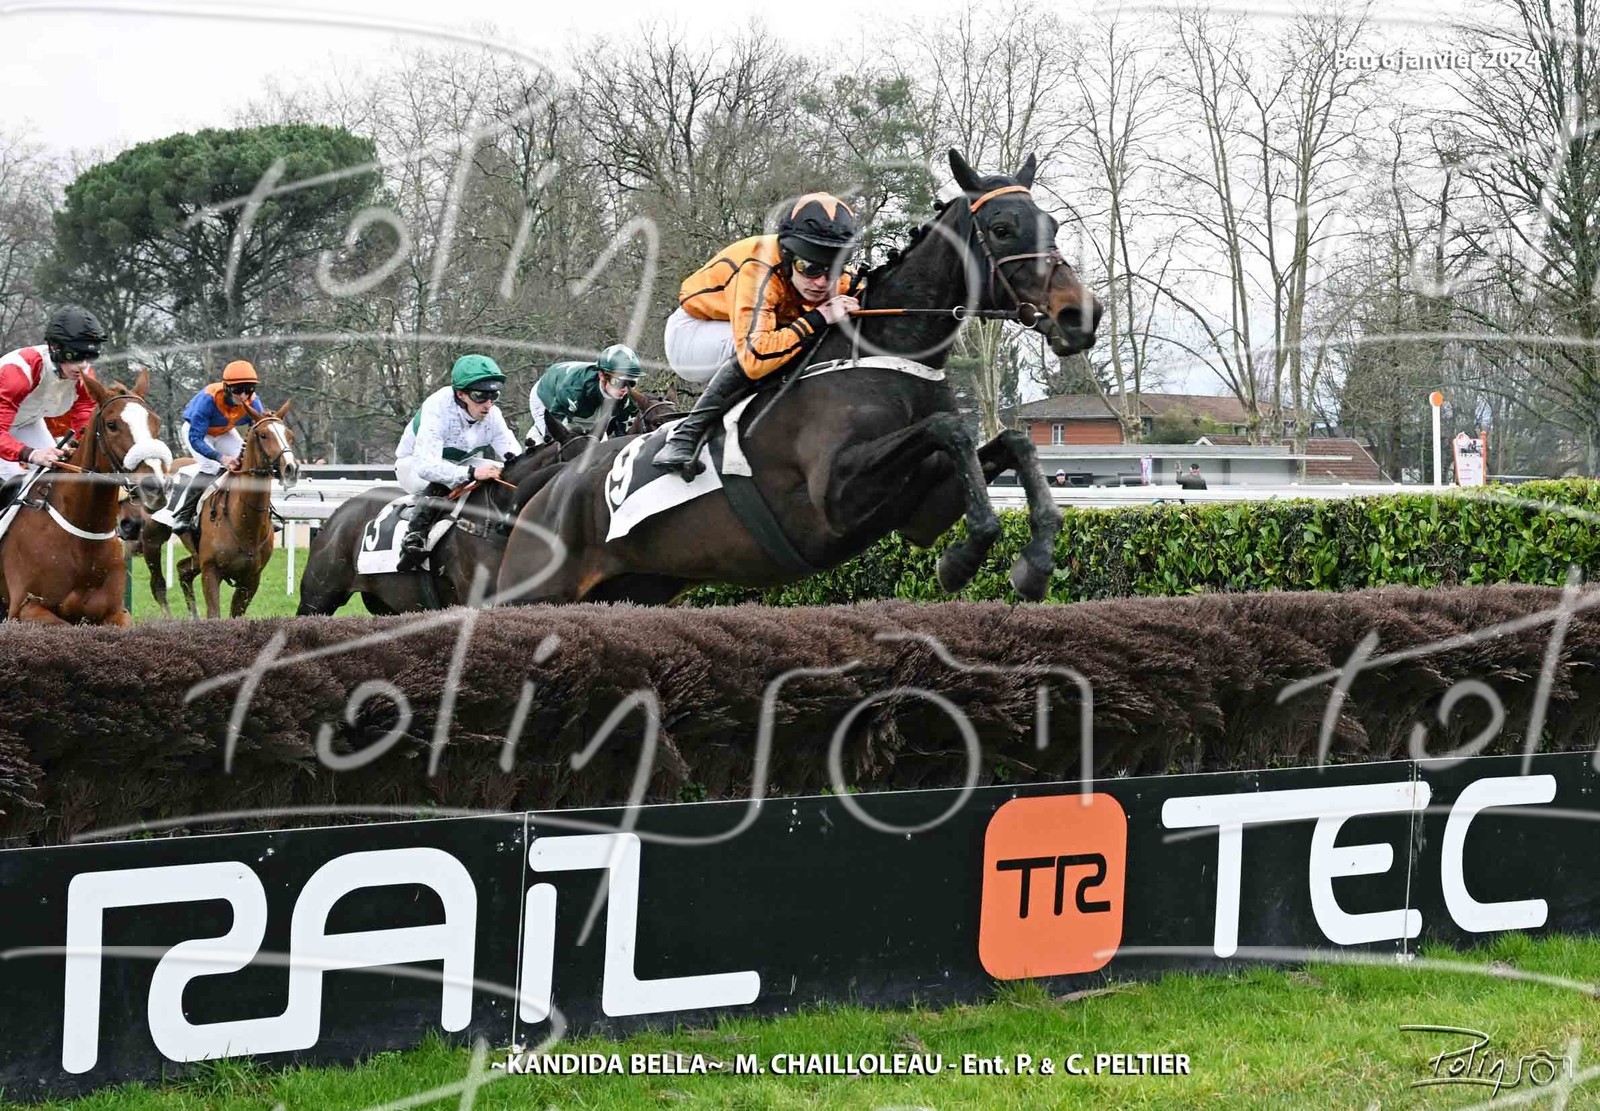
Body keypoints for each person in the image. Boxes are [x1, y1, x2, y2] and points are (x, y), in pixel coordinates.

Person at [653, 192, 863, 479]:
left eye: (833, 270)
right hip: (694, 333)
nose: (821, 283)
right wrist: (817, 317)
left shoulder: (835, 277)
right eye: (809, 268)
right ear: (787, 255)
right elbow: (755, 356)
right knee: (780, 343)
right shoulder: (759, 266)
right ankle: (685, 436)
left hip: (746, 329)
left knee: (802, 339)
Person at [393, 354, 520, 572]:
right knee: (442, 482)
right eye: (480, 396)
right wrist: (471, 473)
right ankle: (413, 539)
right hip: (414, 465)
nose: (488, 405)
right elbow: (427, 467)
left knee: (502, 472)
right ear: (460, 393)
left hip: (460, 462)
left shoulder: (493, 415)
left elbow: (514, 457)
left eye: (494, 396)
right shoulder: (437, 407)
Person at [0, 305, 105, 511]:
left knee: (56, 474)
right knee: (17, 484)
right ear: (55, 348)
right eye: (75, 356)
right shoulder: (18, 371)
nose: (83, 365)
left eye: (89, 356)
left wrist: (79, 445)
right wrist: (31, 454)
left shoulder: (83, 375)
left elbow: (85, 411)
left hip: (26, 423)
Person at [160, 360, 268, 535]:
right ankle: (184, 514)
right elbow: (196, 439)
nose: (243, 395)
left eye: (249, 389)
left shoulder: (254, 402)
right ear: (226, 387)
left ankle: (263, 513)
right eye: (237, 390)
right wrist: (221, 458)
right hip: (197, 432)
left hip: (225, 430)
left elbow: (259, 430)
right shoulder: (208, 400)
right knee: (211, 467)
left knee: (247, 464)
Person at [526, 344, 643, 447]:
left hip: (584, 401)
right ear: (602, 376)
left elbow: (624, 436)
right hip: (547, 396)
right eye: (618, 382)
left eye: (631, 383)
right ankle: (535, 438)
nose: (624, 389)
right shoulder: (574, 391)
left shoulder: (628, 400)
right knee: (562, 444)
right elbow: (555, 426)